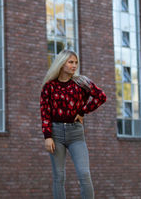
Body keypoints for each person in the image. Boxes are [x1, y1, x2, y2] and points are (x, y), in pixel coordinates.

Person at [40, 49, 107, 199]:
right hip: (56, 134)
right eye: (71, 62)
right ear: (62, 63)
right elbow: (45, 112)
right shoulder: (49, 87)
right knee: (59, 176)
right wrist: (47, 136)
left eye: (76, 62)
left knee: (84, 174)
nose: (74, 65)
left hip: (76, 133)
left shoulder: (81, 82)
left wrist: (83, 111)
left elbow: (101, 96)